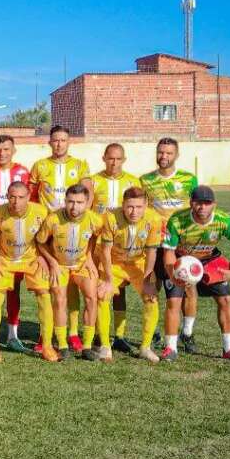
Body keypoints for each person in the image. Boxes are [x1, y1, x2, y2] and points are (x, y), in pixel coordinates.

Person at [159, 185, 230, 362]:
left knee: (226, 299)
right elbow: (168, 251)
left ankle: (229, 348)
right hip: (181, 260)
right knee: (174, 301)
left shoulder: (223, 220)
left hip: (209, 260)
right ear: (191, 203)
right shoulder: (177, 220)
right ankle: (170, 348)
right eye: (198, 203)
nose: (202, 207)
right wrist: (172, 274)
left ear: (214, 204)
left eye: (207, 203)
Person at [29, 126, 94, 352]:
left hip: (73, 227)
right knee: (48, 286)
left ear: (69, 142)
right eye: (55, 140)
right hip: (46, 231)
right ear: (50, 142)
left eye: (63, 140)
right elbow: (32, 195)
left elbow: (88, 192)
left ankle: (74, 333)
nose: (59, 144)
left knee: (72, 287)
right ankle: (44, 334)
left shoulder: (80, 165)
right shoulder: (40, 166)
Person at [141, 137, 200, 352]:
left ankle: (187, 333)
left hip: (182, 243)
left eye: (168, 153)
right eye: (160, 152)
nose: (163, 156)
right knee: (152, 287)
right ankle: (154, 331)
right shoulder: (146, 180)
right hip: (156, 242)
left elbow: (196, 208)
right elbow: (143, 211)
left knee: (188, 286)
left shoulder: (188, 179)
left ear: (176, 155)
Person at [35, 183, 106, 361]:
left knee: (92, 297)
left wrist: (89, 256)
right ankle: (63, 344)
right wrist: (52, 262)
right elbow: (40, 241)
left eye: (80, 202)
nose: (75, 207)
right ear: (65, 201)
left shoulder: (95, 220)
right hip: (60, 265)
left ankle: (87, 346)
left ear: (88, 202)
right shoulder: (53, 219)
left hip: (82, 265)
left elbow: (96, 236)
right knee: (59, 300)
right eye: (71, 202)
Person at [0, 181, 54, 359]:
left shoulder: (41, 212)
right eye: (12, 197)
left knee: (44, 294)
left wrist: (42, 255)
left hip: (31, 258)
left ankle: (47, 345)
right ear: (7, 197)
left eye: (20, 197)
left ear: (28, 197)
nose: (15, 201)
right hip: (5, 259)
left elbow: (46, 239)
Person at [97, 187, 162, 364]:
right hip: (114, 263)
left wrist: (148, 280)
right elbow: (105, 251)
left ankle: (145, 347)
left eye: (139, 207)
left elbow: (151, 252)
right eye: (130, 207)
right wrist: (109, 279)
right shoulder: (110, 217)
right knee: (102, 295)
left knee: (151, 298)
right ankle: (104, 345)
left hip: (137, 264)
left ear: (146, 205)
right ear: (123, 205)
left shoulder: (154, 219)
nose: (134, 212)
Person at [91, 143, 142, 352]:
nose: (114, 162)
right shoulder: (94, 181)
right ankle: (96, 334)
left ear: (124, 160)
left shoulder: (133, 181)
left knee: (120, 291)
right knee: (98, 290)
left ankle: (119, 335)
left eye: (118, 159)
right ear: (104, 158)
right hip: (99, 244)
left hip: (122, 245)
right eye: (110, 158)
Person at [0, 133, 31, 349]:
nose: (2, 153)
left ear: (13, 151)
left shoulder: (23, 172)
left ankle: (12, 333)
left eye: (6, 150)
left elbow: (31, 201)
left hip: (16, 237)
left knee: (13, 287)